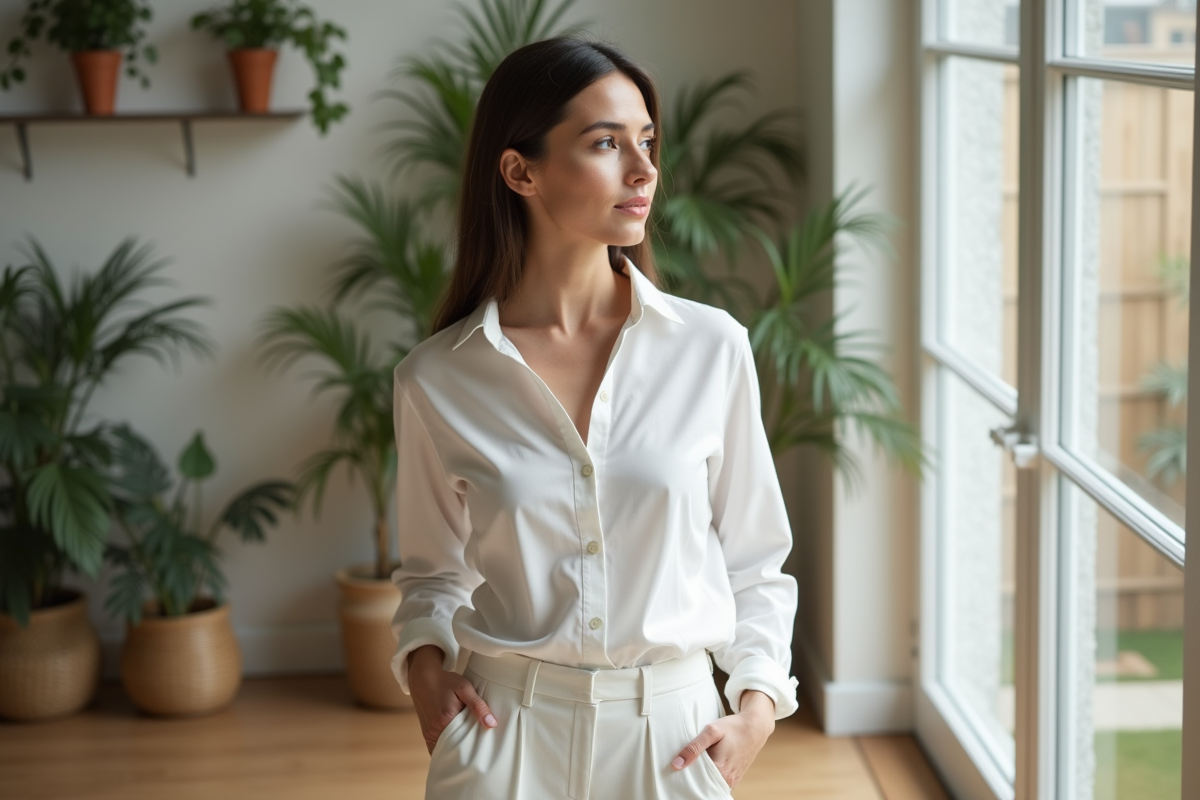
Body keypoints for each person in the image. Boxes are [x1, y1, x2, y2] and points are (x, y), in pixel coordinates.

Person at [389, 35, 799, 800]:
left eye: (646, 141)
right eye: (606, 144)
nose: (644, 170)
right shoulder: (435, 380)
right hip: (500, 735)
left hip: (673, 741)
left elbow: (756, 561)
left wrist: (757, 708)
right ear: (520, 171)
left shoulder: (711, 348)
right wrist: (423, 672)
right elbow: (431, 574)